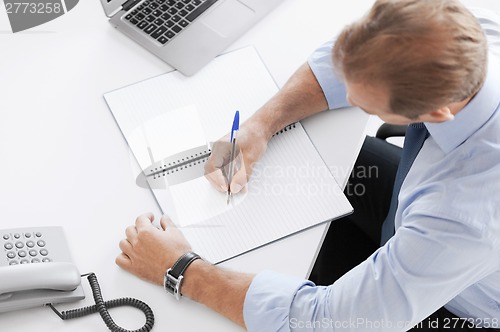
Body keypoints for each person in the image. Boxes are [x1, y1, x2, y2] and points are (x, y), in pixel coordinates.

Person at [115, 0, 500, 330]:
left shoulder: (462, 218)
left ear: (433, 113)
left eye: (364, 104)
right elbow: (345, 62)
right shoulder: (461, 31)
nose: (346, 94)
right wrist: (260, 126)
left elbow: (329, 321)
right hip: (418, 204)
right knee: (308, 167)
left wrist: (183, 270)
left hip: (456, 302)